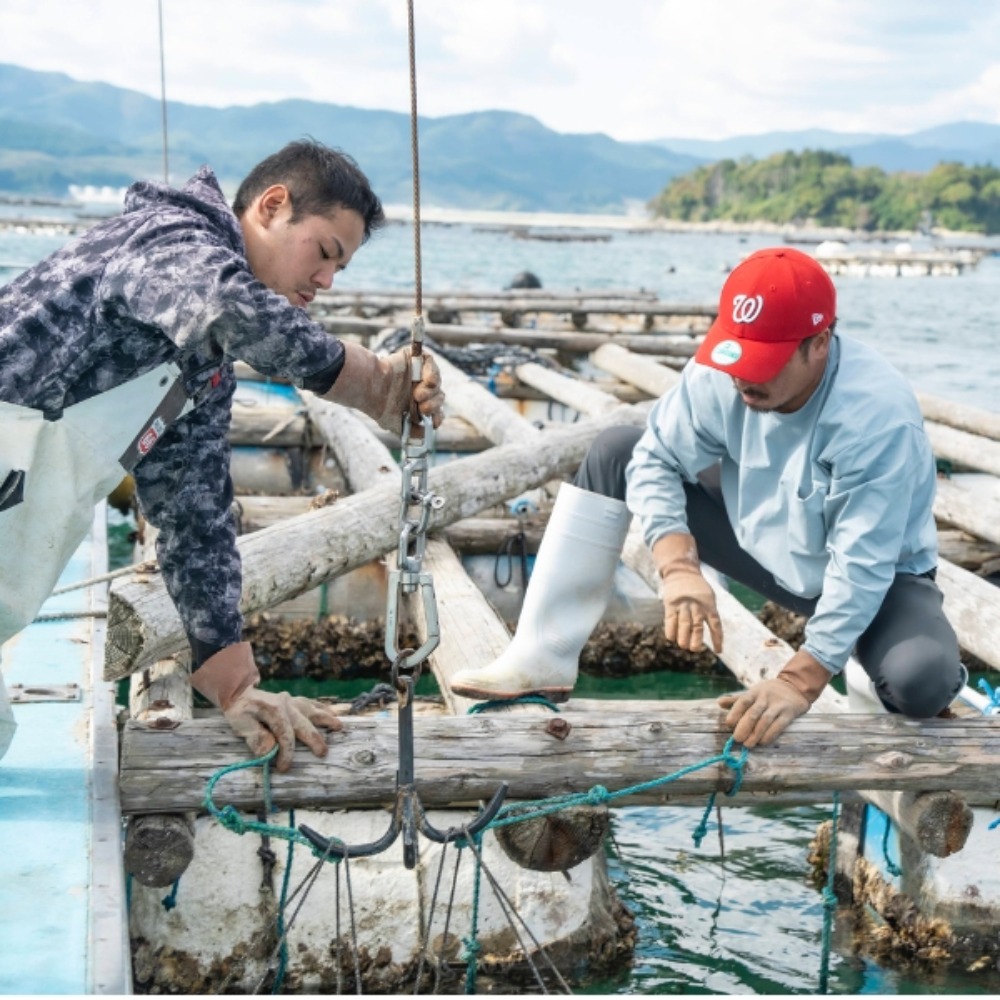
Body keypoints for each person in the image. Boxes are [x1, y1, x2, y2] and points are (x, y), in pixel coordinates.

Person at [0, 139, 444, 769]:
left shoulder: (199, 372)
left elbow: (195, 517)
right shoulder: (169, 239)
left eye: (340, 270)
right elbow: (224, 306)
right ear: (271, 205)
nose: (325, 282)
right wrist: (374, 382)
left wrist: (236, 686)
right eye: (324, 253)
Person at [450, 247, 965, 748]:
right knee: (618, 451)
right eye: (736, 355)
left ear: (820, 344)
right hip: (758, 536)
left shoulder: (875, 417)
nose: (741, 376)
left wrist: (797, 682)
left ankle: (863, 659)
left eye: (764, 361)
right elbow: (654, 457)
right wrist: (678, 566)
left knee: (920, 681)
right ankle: (542, 655)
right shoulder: (725, 371)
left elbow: (862, 565)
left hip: (874, 576)